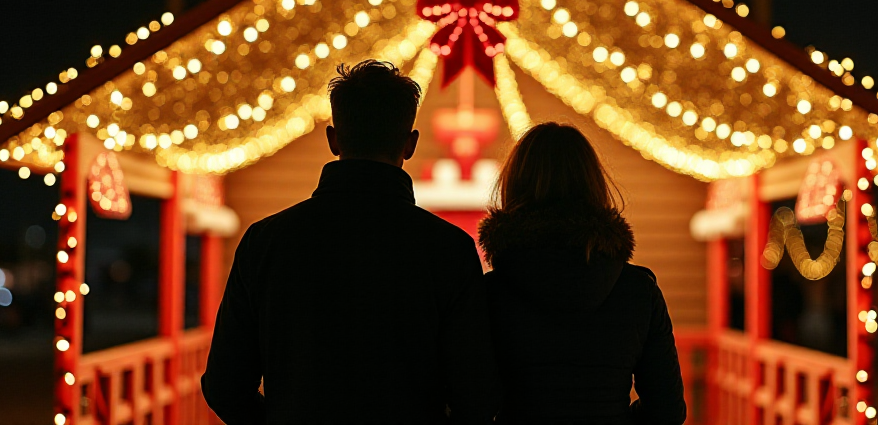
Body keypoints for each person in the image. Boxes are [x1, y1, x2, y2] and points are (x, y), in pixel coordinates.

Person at [202, 60, 499, 424]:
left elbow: (224, 386)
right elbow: (477, 397)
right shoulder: (448, 249)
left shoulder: (266, 241)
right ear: (409, 144)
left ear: (334, 139)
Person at [478, 123, 687, 425]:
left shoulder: (489, 294)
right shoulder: (638, 290)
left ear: (514, 187)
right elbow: (667, 410)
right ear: (594, 186)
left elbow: (471, 400)